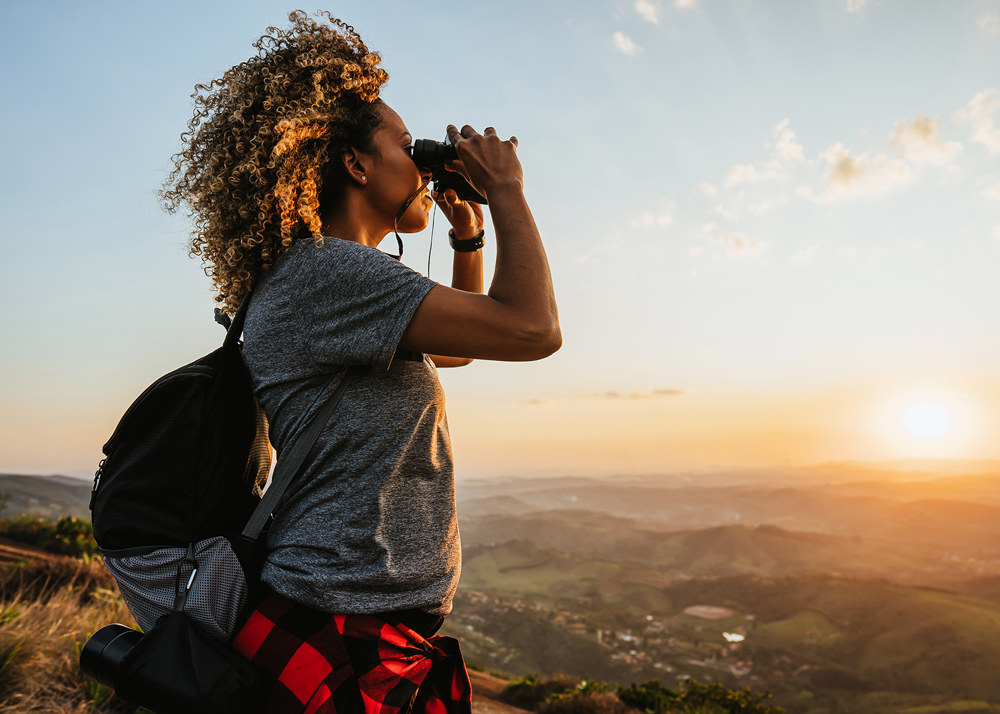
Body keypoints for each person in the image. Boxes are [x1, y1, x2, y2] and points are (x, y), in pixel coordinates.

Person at [162, 11, 560, 714]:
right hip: (345, 628)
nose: (424, 158)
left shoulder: (326, 276)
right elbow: (532, 329)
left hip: (352, 621)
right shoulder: (334, 274)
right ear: (356, 164)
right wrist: (506, 190)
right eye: (407, 145)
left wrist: (468, 240)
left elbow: (459, 350)